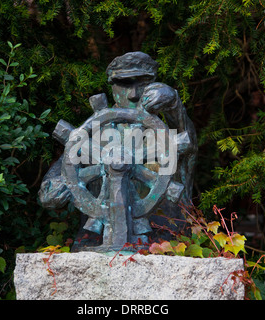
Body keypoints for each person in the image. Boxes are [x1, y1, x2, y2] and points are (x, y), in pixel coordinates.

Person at [39, 51, 198, 243]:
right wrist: (53, 188)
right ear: (112, 87)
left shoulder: (165, 136)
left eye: (142, 84)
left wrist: (174, 104)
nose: (133, 94)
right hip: (98, 242)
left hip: (167, 242)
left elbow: (188, 142)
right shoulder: (95, 138)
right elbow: (64, 172)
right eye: (124, 84)